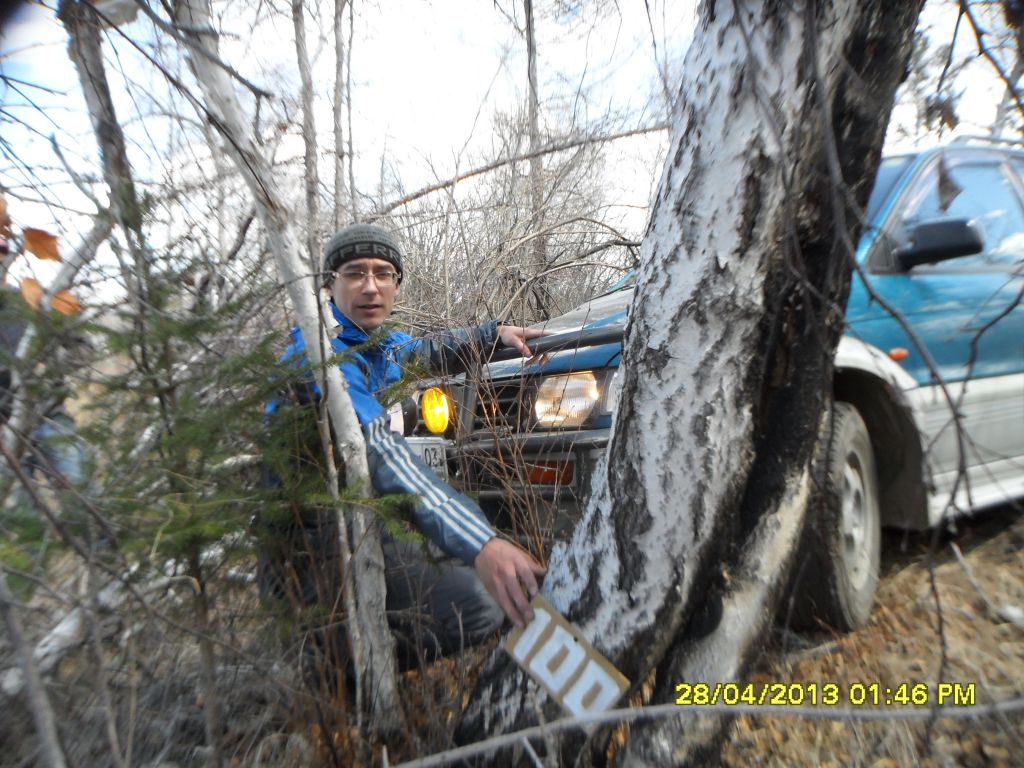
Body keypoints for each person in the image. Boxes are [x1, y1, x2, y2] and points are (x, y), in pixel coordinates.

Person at [259, 223, 545, 671]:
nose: (371, 286)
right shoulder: (317, 356)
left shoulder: (377, 345)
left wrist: (494, 335)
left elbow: (427, 350)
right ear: (329, 285)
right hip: (309, 554)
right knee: (480, 603)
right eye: (355, 273)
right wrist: (482, 543)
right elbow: (380, 452)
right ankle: (339, 679)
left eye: (383, 273)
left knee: (468, 569)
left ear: (396, 285)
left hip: (361, 523)